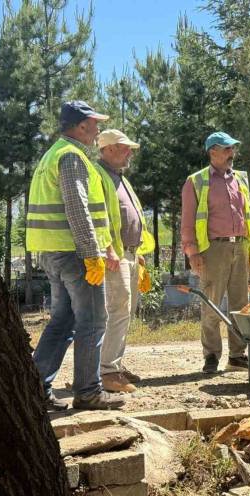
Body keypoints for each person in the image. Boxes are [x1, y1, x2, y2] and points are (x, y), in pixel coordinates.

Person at [26, 101, 124, 411]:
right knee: (93, 320)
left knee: (64, 319)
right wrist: (91, 254)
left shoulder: (53, 153)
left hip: (53, 252)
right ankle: (89, 392)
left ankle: (35, 386)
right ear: (81, 126)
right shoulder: (71, 156)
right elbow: (77, 209)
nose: (98, 131)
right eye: (95, 125)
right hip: (75, 254)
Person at [180, 131, 250, 374]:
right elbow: (187, 222)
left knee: (240, 304)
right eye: (226, 149)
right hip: (213, 249)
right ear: (212, 152)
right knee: (212, 304)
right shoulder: (195, 181)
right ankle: (212, 356)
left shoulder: (241, 179)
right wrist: (192, 252)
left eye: (232, 149)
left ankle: (237, 355)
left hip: (241, 246)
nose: (231, 154)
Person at [96, 129, 155, 393]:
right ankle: (107, 372)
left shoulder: (120, 178)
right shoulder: (98, 176)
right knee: (116, 311)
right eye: (124, 147)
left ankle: (114, 365)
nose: (129, 152)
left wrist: (138, 251)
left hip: (129, 253)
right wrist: (107, 248)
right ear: (107, 149)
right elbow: (97, 217)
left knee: (125, 311)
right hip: (113, 255)